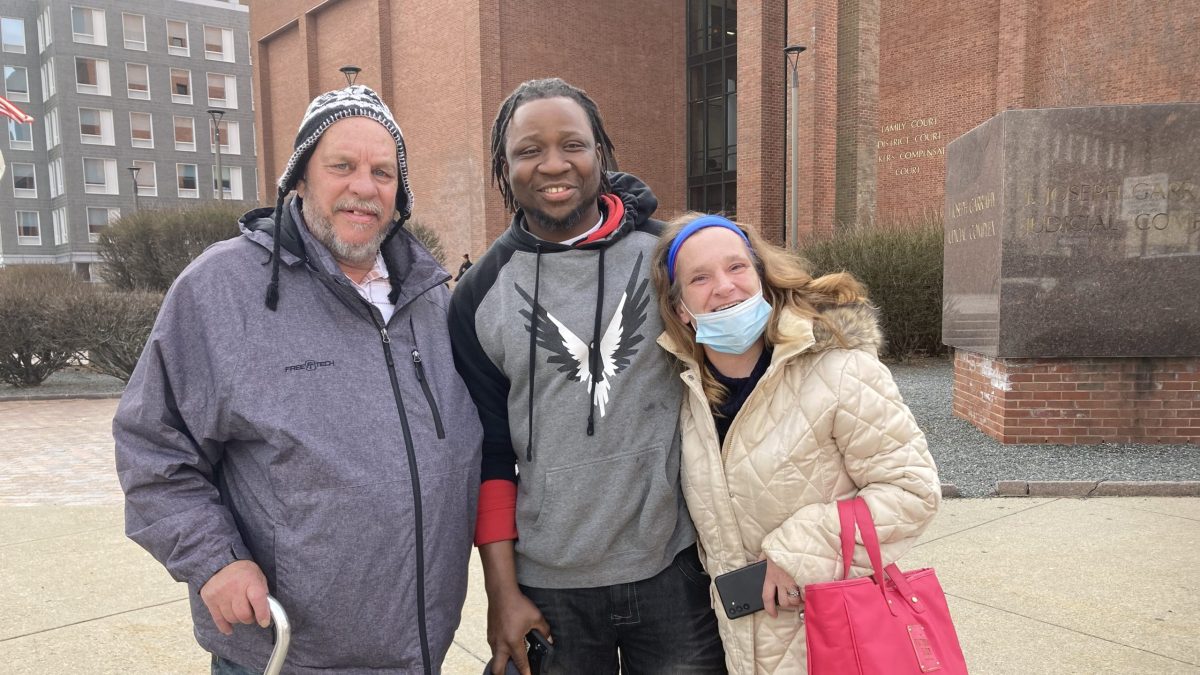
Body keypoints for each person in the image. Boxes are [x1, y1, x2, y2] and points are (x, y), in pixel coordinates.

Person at [113, 85, 483, 674]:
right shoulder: (222, 290)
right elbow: (153, 446)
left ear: (399, 194)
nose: (364, 186)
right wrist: (216, 560)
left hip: (417, 651)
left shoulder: (431, 300)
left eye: (383, 172)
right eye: (342, 166)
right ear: (301, 180)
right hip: (286, 653)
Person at [448, 78, 725, 675]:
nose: (554, 164)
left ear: (600, 151)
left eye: (572, 144)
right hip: (550, 587)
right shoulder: (477, 296)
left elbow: (746, 375)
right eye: (529, 150)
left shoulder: (668, 257)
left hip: (673, 570)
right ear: (505, 164)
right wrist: (502, 594)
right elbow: (490, 457)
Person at [650, 213, 942, 673]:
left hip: (835, 637)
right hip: (738, 646)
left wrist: (798, 552)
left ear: (762, 279)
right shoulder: (684, 397)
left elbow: (912, 491)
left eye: (737, 267)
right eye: (700, 277)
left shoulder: (841, 370)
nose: (724, 286)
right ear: (682, 307)